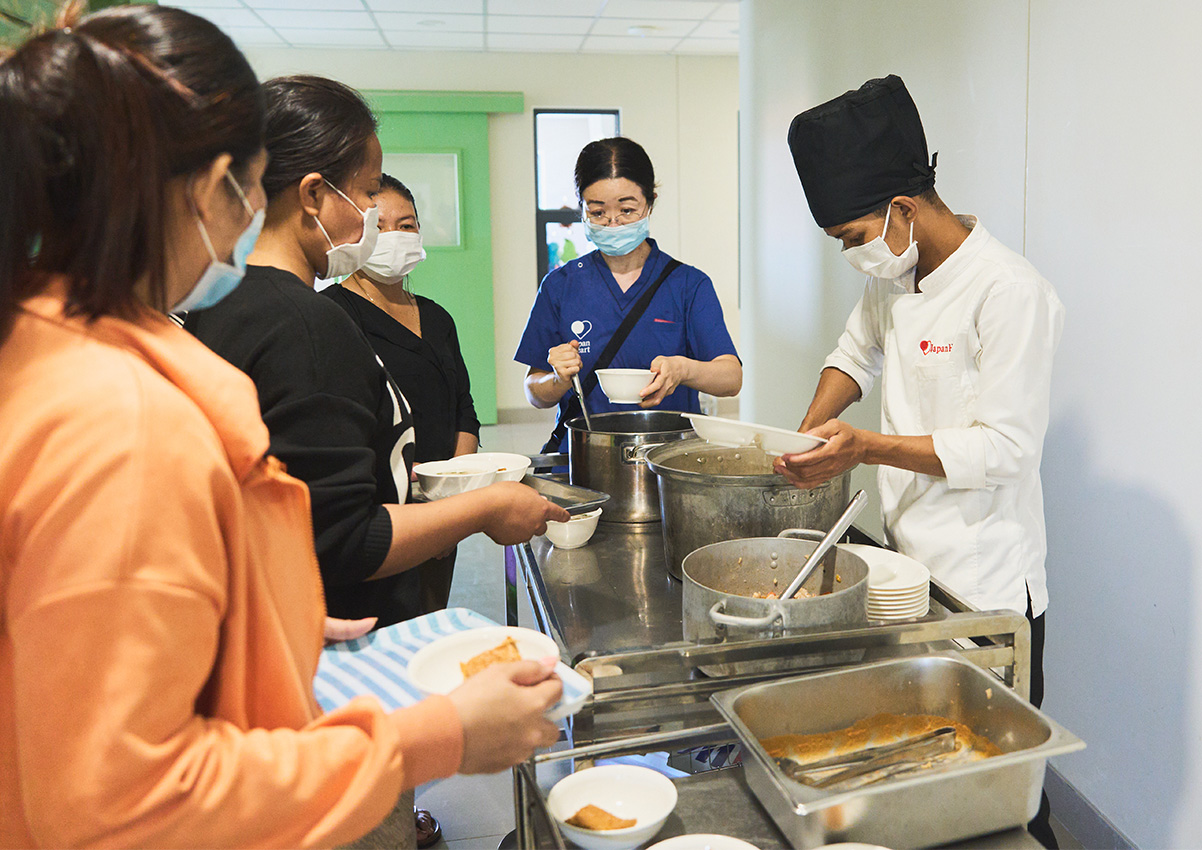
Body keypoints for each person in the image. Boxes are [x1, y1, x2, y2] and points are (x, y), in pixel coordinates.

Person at [0, 7, 560, 849]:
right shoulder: (120, 421)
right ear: (211, 183)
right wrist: (439, 737)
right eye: (244, 186)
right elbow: (121, 803)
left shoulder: (50, 334)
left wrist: (255, 608)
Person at [780, 75, 1064, 847]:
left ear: (903, 209)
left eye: (850, 236)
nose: (851, 255)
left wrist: (865, 446)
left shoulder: (1009, 293)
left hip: (986, 588)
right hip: (913, 574)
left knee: (1000, 796)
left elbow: (1004, 450)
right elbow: (855, 354)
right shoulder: (898, 275)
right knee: (926, 779)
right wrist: (810, 431)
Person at [185, 76, 568, 631]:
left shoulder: (225, 298)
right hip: (345, 624)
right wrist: (488, 507)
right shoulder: (307, 323)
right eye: (366, 195)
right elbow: (343, 541)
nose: (370, 217)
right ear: (314, 195)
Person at [515, 137, 742, 454]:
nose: (612, 223)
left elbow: (731, 378)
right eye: (597, 212)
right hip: (586, 456)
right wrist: (558, 379)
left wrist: (684, 370)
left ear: (650, 203)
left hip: (672, 459)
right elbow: (533, 391)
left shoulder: (688, 283)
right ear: (582, 207)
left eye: (626, 210)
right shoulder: (561, 285)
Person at [326, 173, 478, 615]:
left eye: (407, 225)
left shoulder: (437, 318)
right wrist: (417, 507)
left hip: (440, 514)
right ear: (357, 232)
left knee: (428, 618)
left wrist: (451, 500)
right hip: (379, 523)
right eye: (380, 225)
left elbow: (463, 412)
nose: (394, 237)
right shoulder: (335, 317)